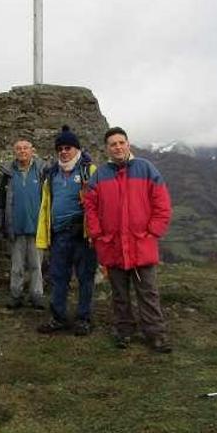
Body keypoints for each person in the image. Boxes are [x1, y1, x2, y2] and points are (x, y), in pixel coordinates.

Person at [84, 127, 173, 352]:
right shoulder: (100, 174)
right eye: (113, 144)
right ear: (107, 148)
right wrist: (98, 234)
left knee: (148, 293)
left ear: (128, 144)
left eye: (121, 142)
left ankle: (155, 334)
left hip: (141, 244)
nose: (118, 147)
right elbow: (90, 206)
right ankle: (124, 331)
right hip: (112, 245)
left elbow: (162, 203)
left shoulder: (146, 169)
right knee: (119, 295)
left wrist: (153, 232)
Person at [35, 125, 98, 336]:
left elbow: (101, 203)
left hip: (83, 235)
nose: (63, 151)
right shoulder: (51, 173)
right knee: (58, 277)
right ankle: (58, 317)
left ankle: (83, 319)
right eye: (60, 148)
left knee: (85, 278)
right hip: (59, 234)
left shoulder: (89, 171)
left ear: (77, 149)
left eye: (68, 147)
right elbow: (46, 204)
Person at [0, 138, 46, 310]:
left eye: (26, 148)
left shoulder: (41, 171)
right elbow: (1, 202)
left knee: (36, 265)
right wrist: (2, 224)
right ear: (14, 152)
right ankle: (15, 295)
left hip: (37, 227)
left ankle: (36, 295)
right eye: (19, 148)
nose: (22, 151)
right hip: (16, 228)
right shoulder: (8, 174)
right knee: (16, 266)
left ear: (32, 150)